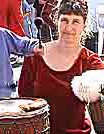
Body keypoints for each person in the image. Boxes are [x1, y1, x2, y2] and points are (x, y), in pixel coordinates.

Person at [18, 0, 104, 133]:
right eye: (64, 20)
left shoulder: (90, 60)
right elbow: (23, 100)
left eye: (75, 21)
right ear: (56, 21)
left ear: (84, 25)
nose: (69, 28)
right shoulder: (35, 56)